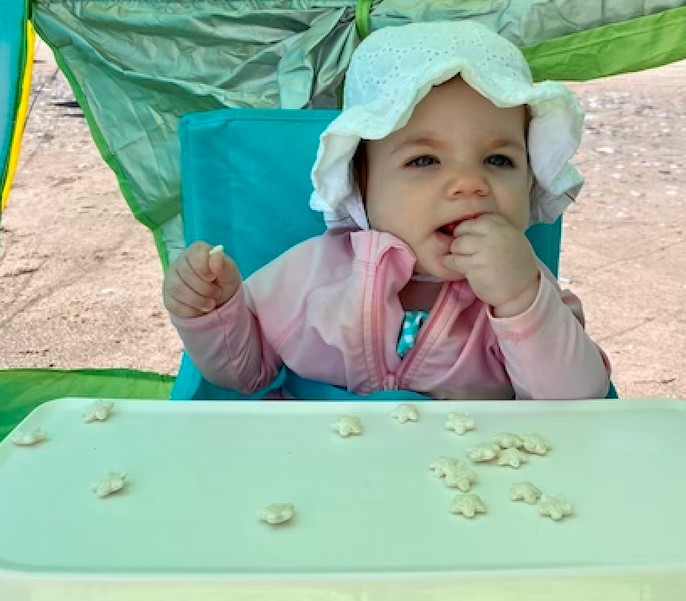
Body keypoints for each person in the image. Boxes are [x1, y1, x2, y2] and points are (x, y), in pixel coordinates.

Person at [163, 20, 610, 400]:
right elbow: (244, 373)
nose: (470, 183)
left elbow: (576, 405)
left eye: (498, 160)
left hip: (470, 486)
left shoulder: (527, 289)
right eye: (424, 160)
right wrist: (214, 312)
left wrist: (519, 301)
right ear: (361, 184)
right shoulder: (312, 276)